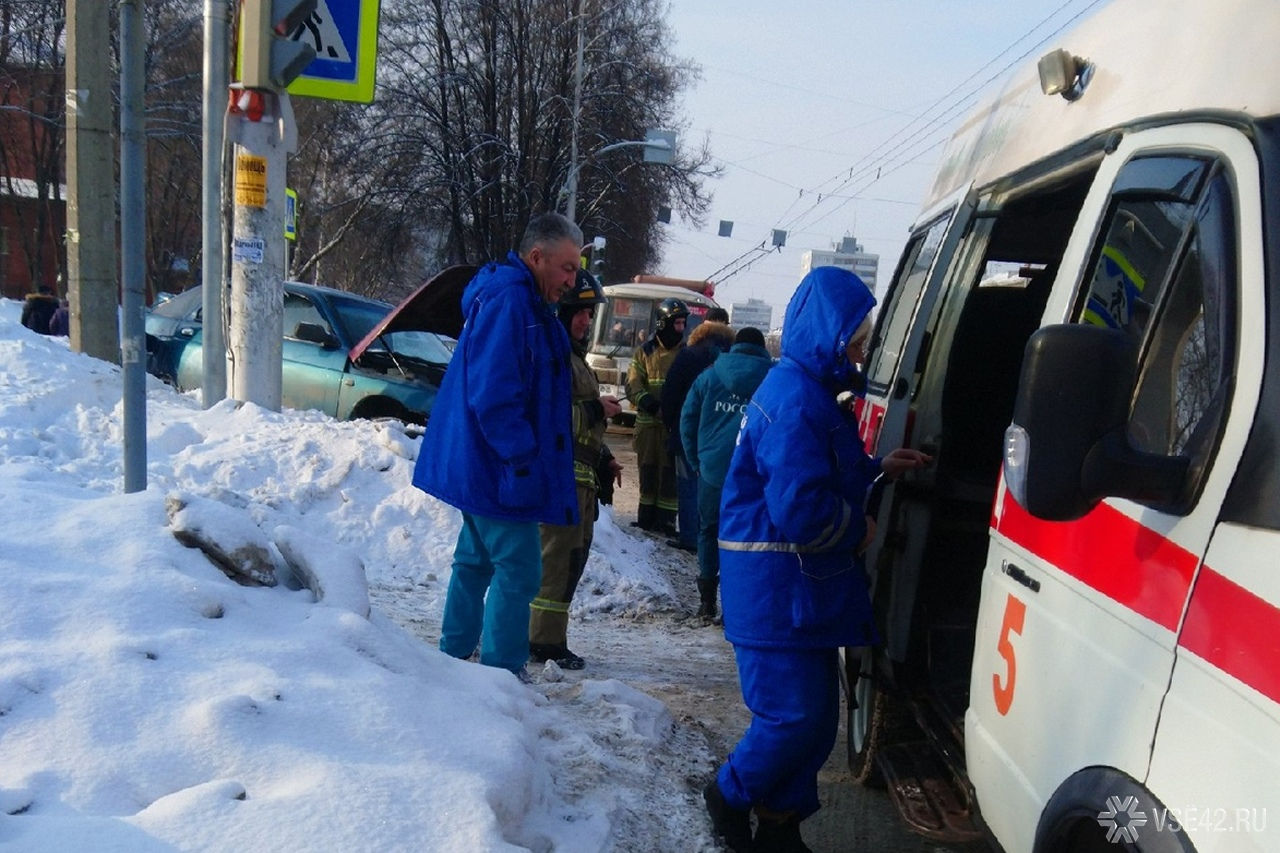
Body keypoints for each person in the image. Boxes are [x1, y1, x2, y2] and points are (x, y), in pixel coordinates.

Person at [703, 267, 932, 853]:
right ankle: (728, 795)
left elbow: (827, 473)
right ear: (826, 332)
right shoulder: (797, 401)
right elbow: (802, 510)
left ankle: (780, 825)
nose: (861, 347)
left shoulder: (806, 392)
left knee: (816, 723)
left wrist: (879, 467)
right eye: (855, 335)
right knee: (791, 721)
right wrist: (859, 527)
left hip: (797, 592)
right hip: (775, 594)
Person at [412, 212, 583, 679]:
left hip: (482, 462)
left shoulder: (521, 300)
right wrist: (522, 457)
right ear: (537, 257)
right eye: (567, 267)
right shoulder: (514, 303)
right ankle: (503, 674)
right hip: (500, 466)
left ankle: (453, 655)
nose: (574, 279)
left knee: (475, 559)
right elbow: (495, 394)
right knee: (519, 568)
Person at [530, 270, 623, 670]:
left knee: (571, 562)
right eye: (580, 313)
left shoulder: (575, 360)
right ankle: (541, 641)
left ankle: (551, 637)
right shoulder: (555, 358)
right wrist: (593, 409)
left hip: (580, 484)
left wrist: (604, 458)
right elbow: (546, 417)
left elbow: (580, 428)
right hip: (559, 483)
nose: (586, 321)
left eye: (590, 314)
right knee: (554, 563)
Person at [679, 326, 772, 619]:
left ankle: (707, 602)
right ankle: (741, 606)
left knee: (709, 531)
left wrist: (697, 462)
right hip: (756, 475)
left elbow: (688, 420)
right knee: (749, 537)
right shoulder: (772, 381)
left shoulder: (709, 377)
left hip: (713, 471)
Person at [660, 306, 732, 553]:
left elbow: (670, 393)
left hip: (687, 432)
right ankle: (712, 536)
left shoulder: (688, 354)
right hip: (722, 438)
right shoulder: (731, 359)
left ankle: (690, 536)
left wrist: (670, 424)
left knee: (688, 485)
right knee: (716, 488)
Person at [625, 297, 688, 534]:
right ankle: (645, 518)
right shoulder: (644, 353)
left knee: (669, 475)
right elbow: (632, 385)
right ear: (663, 323)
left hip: (672, 427)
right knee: (648, 471)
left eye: (683, 324)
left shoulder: (686, 354)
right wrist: (651, 405)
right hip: (648, 426)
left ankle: (667, 521)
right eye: (677, 323)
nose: (681, 329)